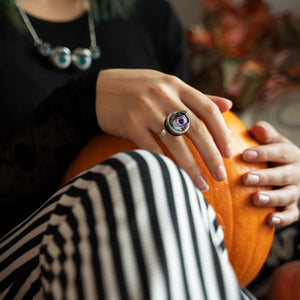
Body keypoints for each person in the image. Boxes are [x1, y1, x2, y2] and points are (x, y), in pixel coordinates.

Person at [0, 0, 299, 299]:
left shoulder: (150, 14)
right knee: (143, 172)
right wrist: (83, 103)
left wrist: (259, 170)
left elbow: (190, 152)